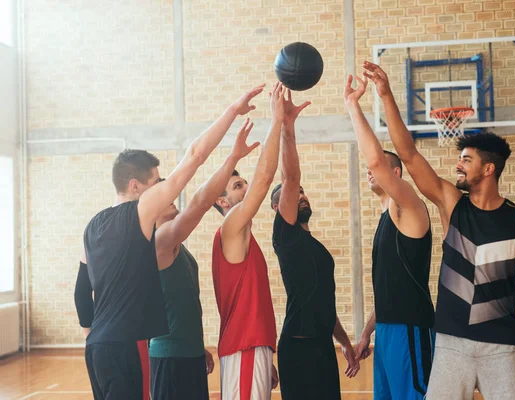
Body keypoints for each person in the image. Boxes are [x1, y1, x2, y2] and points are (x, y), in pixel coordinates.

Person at [363, 60, 515, 399]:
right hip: (451, 345)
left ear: (489, 169)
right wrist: (386, 95)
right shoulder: (451, 202)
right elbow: (407, 153)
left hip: (502, 346)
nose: (458, 165)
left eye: (467, 160)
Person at [76, 84, 265, 400]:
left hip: (97, 348)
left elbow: (82, 289)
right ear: (136, 186)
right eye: (154, 184)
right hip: (126, 345)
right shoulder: (139, 213)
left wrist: (88, 332)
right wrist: (232, 110)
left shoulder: (92, 226)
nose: (161, 190)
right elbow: (195, 158)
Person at [149, 118, 261, 400]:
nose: (172, 196)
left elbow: (186, 303)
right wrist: (233, 156)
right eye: (164, 193)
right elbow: (200, 202)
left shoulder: (177, 244)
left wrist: (199, 347)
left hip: (189, 353)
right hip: (169, 356)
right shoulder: (160, 240)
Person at [345, 73, 435, 399]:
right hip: (385, 333)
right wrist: (367, 333)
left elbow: (375, 160)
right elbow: (388, 292)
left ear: (395, 173)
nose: (370, 170)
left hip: (410, 329)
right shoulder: (385, 220)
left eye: (380, 167)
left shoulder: (409, 206)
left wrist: (353, 105)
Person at [269, 91, 359, 400]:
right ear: (278, 208)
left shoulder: (316, 247)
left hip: (322, 345)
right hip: (298, 345)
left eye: (304, 192)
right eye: (294, 194)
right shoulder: (285, 234)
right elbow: (291, 177)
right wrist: (286, 125)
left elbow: (324, 303)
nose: (301, 194)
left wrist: (345, 343)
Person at [211, 82, 286, 399]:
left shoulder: (243, 235)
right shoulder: (230, 225)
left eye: (243, 182)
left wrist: (266, 355)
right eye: (238, 185)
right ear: (223, 202)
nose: (246, 186)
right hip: (243, 347)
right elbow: (265, 177)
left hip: (252, 348)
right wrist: (278, 120)